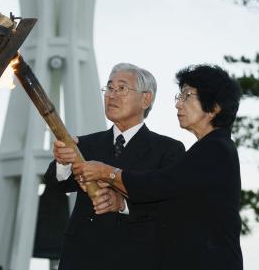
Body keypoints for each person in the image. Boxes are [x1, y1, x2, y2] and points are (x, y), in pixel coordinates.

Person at [74, 65, 243, 270]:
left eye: (187, 96)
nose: (178, 105)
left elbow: (157, 185)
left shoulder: (215, 149)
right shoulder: (207, 150)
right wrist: (119, 202)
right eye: (178, 97)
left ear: (215, 107)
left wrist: (107, 172)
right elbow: (165, 202)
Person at [46, 63, 185, 270]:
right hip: (80, 258)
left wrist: (123, 204)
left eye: (122, 88)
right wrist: (63, 163)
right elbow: (55, 186)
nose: (112, 95)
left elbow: (170, 209)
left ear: (146, 99)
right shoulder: (84, 145)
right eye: (109, 88)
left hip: (134, 258)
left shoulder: (168, 150)